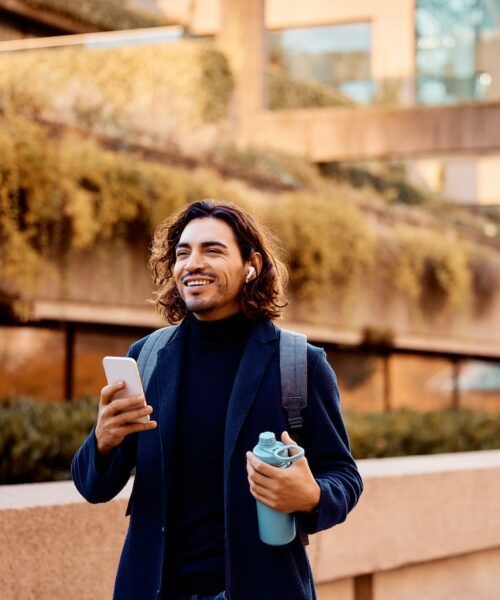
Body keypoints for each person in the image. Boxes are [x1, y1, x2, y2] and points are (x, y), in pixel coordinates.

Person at [71, 200, 363, 600]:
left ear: (252, 265)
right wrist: (103, 443)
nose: (193, 263)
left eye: (213, 250)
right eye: (182, 253)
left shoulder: (299, 363)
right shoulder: (146, 357)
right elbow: (93, 486)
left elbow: (344, 477)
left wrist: (312, 496)